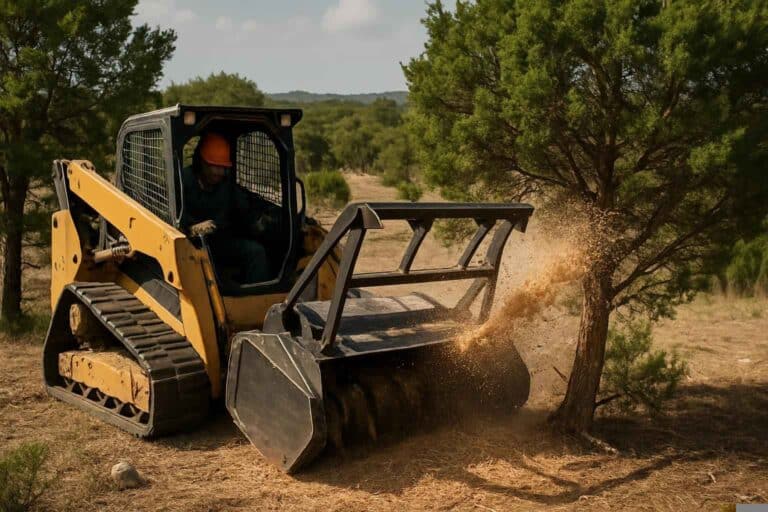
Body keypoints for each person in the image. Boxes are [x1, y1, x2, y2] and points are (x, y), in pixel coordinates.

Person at [180, 132, 272, 285]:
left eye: (222, 167)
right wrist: (193, 229)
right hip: (190, 246)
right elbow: (170, 216)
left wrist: (261, 218)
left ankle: (255, 296)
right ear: (200, 161)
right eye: (213, 166)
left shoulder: (226, 186)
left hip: (221, 241)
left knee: (256, 252)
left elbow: (244, 209)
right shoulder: (183, 181)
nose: (218, 172)